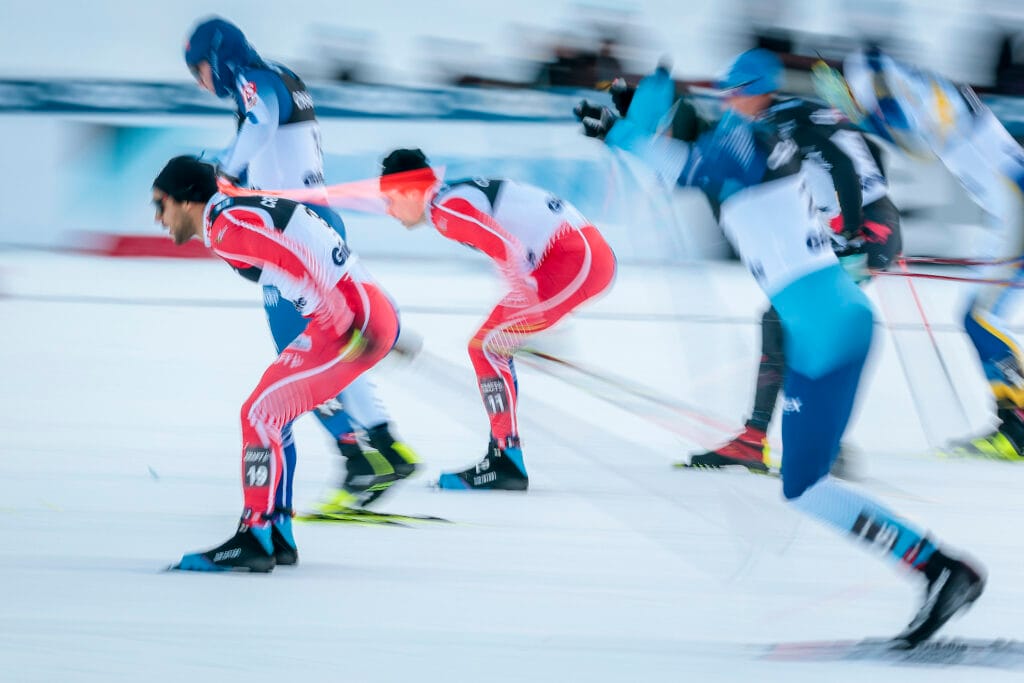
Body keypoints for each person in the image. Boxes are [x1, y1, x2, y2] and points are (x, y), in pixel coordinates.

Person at [583, 52, 985, 647]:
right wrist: (634, 121)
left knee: (807, 487)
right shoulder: (746, 142)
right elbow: (685, 148)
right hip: (828, 325)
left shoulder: (734, 151)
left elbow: (677, 157)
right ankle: (938, 570)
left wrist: (624, 131)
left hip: (826, 330)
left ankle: (941, 570)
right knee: (806, 485)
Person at [577, 50, 902, 473]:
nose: (727, 101)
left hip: (865, 233)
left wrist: (855, 223)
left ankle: (792, 439)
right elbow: (865, 152)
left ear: (758, 92)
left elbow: (838, 161)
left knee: (789, 321)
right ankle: (777, 436)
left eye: (734, 94)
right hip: (864, 226)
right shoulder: (786, 114)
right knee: (785, 320)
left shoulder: (781, 119)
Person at [182, 17, 418, 511]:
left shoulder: (253, 81)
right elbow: (273, 140)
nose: (201, 82)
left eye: (200, 69)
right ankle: (384, 445)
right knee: (336, 345)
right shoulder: (282, 75)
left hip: (291, 230)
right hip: (317, 218)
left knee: (300, 351)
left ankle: (358, 457)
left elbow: (261, 123)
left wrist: (224, 171)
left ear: (218, 57)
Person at [153, 156, 400, 571]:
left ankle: (256, 534)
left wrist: (351, 322)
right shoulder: (235, 213)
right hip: (357, 312)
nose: (158, 218)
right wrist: (379, 318)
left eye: (161, 205)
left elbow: (301, 255)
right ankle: (277, 533)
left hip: (345, 321)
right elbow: (315, 247)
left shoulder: (229, 225)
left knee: (259, 414)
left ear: (188, 200)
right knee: (272, 415)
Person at [813, 48, 1024, 460]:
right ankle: (1014, 424)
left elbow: (916, 145)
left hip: (1016, 206)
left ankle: (1016, 426)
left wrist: (859, 115)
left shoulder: (897, 85)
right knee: (980, 318)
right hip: (1008, 208)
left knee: (980, 319)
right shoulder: (907, 82)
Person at [378, 149, 617, 490]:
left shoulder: (445, 209)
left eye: (390, 199)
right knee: (488, 346)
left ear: (411, 190)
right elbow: (506, 245)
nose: (389, 211)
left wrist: (528, 302)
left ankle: (505, 458)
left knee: (487, 347)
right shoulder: (449, 201)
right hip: (572, 256)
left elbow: (506, 246)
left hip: (574, 258)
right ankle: (505, 454)